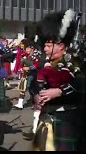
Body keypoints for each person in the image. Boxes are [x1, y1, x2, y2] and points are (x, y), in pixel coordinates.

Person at [31, 9, 86, 151]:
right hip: (46, 118)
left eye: (49, 46)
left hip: (68, 120)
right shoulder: (44, 62)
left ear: (61, 45)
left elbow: (81, 84)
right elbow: (34, 84)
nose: (45, 49)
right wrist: (36, 96)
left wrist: (59, 91)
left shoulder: (76, 62)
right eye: (45, 45)